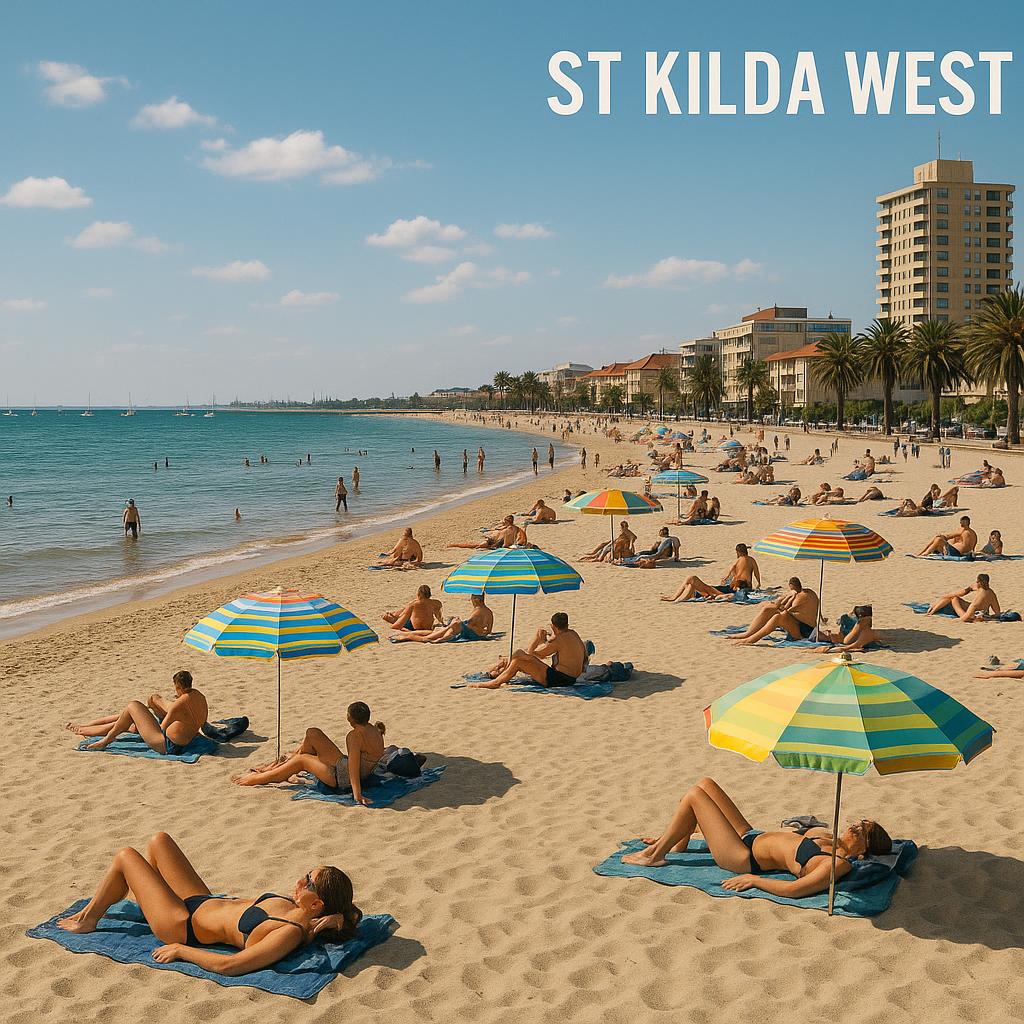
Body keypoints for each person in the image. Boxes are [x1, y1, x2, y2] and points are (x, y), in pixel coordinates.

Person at [56, 832, 361, 970]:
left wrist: (181, 950)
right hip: (198, 900)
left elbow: (231, 965)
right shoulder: (301, 911)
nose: (299, 881)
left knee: (125, 856)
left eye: (308, 882)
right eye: (306, 874)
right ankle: (146, 898)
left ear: (317, 904)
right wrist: (338, 919)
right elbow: (352, 914)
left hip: (182, 925)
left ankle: (89, 920)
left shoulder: (290, 932)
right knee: (159, 841)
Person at [620, 777, 891, 899]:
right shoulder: (828, 836)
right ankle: (674, 841)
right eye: (858, 823)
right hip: (749, 836)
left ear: (862, 853)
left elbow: (796, 890)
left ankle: (654, 856)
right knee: (706, 784)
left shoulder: (836, 864)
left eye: (862, 832)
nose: (854, 827)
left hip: (743, 857)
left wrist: (754, 880)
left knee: (694, 796)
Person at [234, 702, 394, 804]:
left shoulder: (355, 736)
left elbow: (353, 768)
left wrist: (357, 795)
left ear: (350, 719)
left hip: (341, 778)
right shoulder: (375, 729)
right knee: (313, 733)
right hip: (345, 766)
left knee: (301, 760)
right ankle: (280, 765)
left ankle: (259, 778)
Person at [69, 670, 208, 755]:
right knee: (132, 721)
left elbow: (162, 727)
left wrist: (148, 721)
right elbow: (202, 723)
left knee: (132, 706)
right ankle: (87, 727)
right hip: (184, 740)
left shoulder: (179, 704)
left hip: (166, 745)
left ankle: (105, 740)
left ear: (178, 687)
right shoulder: (199, 696)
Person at [470, 612, 586, 689]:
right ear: (567, 624)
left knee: (518, 660)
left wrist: (537, 638)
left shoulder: (558, 640)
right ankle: (501, 670)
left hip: (560, 679)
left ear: (553, 626)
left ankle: (495, 682)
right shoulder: (573, 634)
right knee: (518, 656)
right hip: (571, 678)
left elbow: (532, 654)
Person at [724, 577, 819, 645]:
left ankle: (750, 639)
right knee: (769, 609)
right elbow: (778, 605)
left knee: (778, 617)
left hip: (805, 631)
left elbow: (785, 608)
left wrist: (791, 597)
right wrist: (788, 597)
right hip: (798, 623)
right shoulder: (807, 592)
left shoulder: (800, 597)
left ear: (792, 586)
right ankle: (747, 634)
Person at [662, 544, 760, 602]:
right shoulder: (752, 560)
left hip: (728, 590)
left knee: (691, 579)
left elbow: (731, 569)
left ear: (738, 552)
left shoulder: (738, 560)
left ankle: (673, 598)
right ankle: (674, 598)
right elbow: (756, 572)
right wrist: (758, 583)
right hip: (732, 588)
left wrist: (726, 578)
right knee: (690, 581)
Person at [391, 594, 495, 643]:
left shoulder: (477, 611)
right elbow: (489, 630)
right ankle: (407, 634)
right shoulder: (489, 612)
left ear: (476, 600)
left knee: (430, 636)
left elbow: (468, 625)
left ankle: (408, 636)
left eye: (472, 599)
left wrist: (457, 622)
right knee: (436, 631)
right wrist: (481, 633)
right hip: (474, 633)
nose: (471, 601)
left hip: (466, 633)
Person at [928, 574, 1000, 621]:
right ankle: (932, 610)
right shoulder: (992, 593)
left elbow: (969, 612)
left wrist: (958, 620)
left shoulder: (979, 596)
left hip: (971, 615)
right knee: (952, 597)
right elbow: (997, 612)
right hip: (981, 612)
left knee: (953, 598)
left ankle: (931, 611)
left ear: (978, 582)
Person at [813, 605, 882, 651]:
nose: (828, 632)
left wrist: (853, 613)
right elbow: (863, 622)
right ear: (831, 641)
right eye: (827, 636)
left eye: (825, 632)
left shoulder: (843, 622)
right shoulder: (847, 640)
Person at [447, 515, 523, 550]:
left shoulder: (507, 530)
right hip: (496, 541)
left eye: (504, 521)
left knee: (474, 545)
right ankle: (454, 545)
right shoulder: (516, 528)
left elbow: (505, 543)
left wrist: (504, 547)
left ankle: (454, 545)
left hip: (495, 542)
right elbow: (520, 537)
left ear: (507, 522)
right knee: (474, 545)